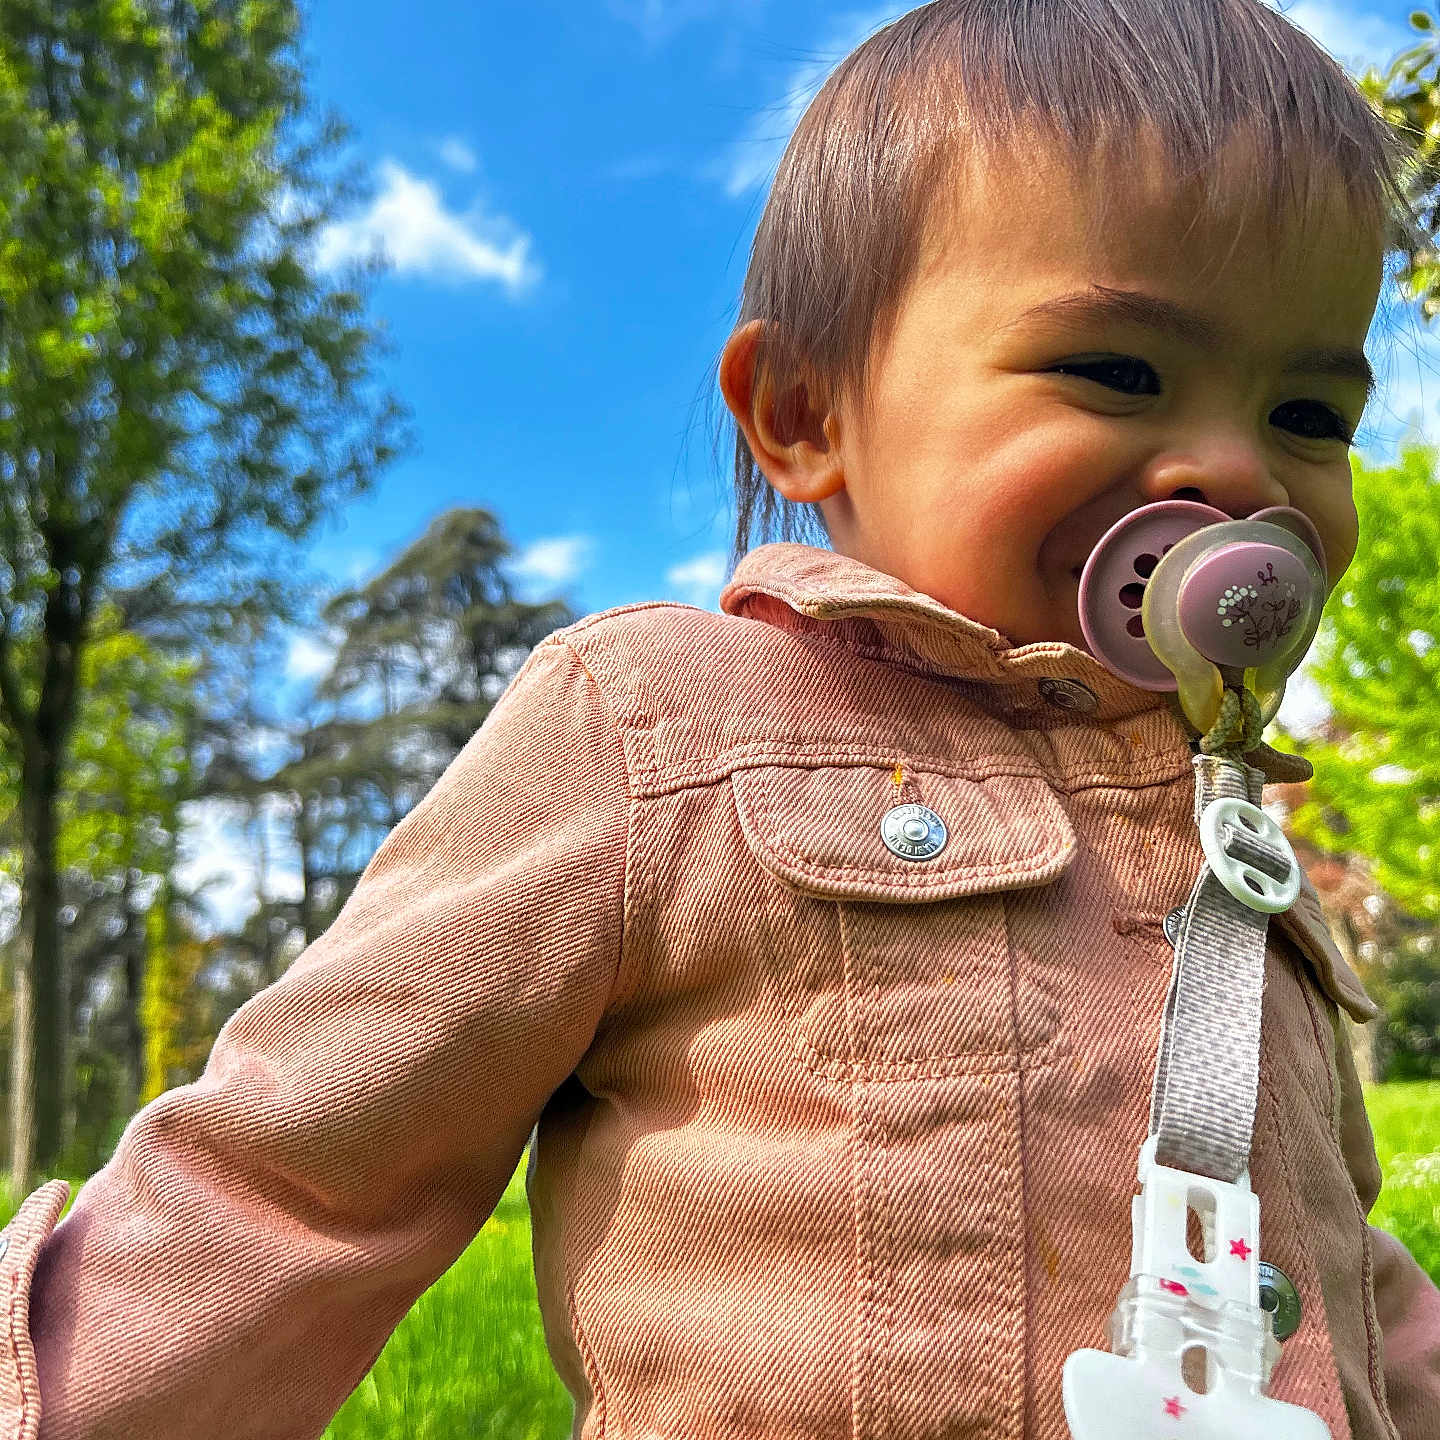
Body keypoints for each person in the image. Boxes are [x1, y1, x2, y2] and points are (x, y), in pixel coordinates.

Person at [2, 2, 1437, 1437]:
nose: (1239, 471)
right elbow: (292, 1179)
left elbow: (1334, 1265)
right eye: (1118, 372)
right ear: (807, 409)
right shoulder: (662, 736)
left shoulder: (1229, 831)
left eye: (1312, 413)